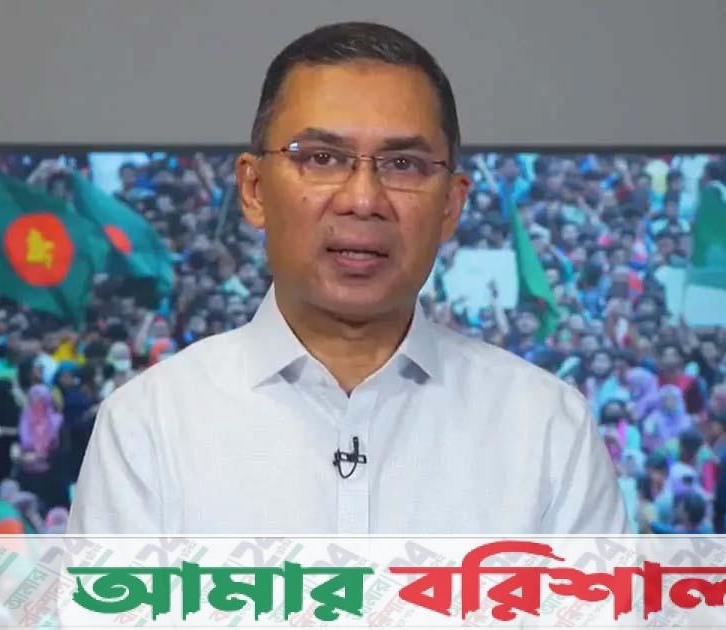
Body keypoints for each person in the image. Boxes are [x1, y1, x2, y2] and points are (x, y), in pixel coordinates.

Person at [68, 22, 627, 534]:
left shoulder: (546, 429)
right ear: (254, 190)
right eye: (321, 158)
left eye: (403, 164)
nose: (363, 199)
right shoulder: (151, 424)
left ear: (451, 205)